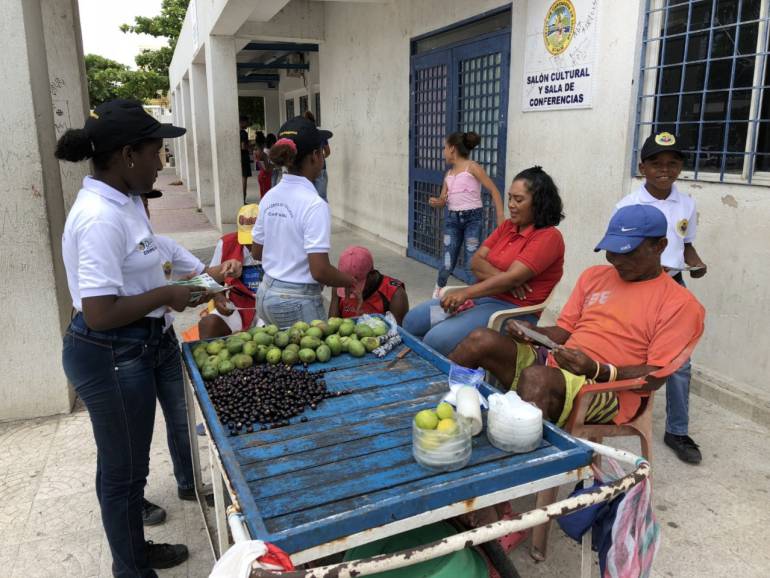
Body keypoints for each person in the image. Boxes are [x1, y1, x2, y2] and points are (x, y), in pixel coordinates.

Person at [56, 99, 201, 576]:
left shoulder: (128, 201)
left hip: (141, 343)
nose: (161, 161)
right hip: (111, 352)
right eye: (156, 151)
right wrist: (167, 294)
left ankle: (134, 550)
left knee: (128, 465)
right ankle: (131, 569)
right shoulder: (100, 216)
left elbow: (148, 255)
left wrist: (192, 280)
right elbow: (99, 313)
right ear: (127, 155)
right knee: (123, 473)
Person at [449, 205, 705, 431]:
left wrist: (597, 370)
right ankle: (443, 412)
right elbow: (564, 331)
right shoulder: (594, 276)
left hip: (612, 391)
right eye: (611, 251)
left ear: (659, 246)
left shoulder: (680, 304)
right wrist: (533, 333)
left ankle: (528, 462)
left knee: (537, 378)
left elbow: (655, 377)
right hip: (558, 365)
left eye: (627, 252)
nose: (616, 260)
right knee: (480, 339)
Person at [138, 191, 242, 526]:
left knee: (181, 414)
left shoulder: (163, 246)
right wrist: (173, 294)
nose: (141, 208)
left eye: (145, 203)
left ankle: (188, 482)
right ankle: (132, 499)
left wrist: (222, 274)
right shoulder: (115, 246)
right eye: (136, 201)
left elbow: (204, 274)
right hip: (128, 346)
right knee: (133, 429)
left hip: (164, 339)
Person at [403, 166, 565, 357]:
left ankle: (446, 366)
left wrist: (467, 293)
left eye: (518, 199)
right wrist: (505, 279)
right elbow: (476, 262)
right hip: (481, 298)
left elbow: (512, 277)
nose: (511, 205)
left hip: (511, 311)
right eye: (510, 198)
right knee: (412, 321)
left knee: (436, 340)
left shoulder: (548, 237)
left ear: (539, 203)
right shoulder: (508, 226)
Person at [616, 131, 708, 464]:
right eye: (656, 163)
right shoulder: (628, 205)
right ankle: (612, 407)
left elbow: (686, 244)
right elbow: (617, 250)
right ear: (642, 167)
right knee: (625, 348)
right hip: (636, 286)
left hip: (672, 286)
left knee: (679, 362)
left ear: (681, 167)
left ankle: (677, 431)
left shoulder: (686, 204)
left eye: (673, 163)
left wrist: (695, 262)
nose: (665, 170)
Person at [251, 116, 356, 328]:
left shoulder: (270, 196)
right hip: (297, 302)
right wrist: (349, 281)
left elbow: (257, 252)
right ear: (315, 156)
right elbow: (320, 271)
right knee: (318, 348)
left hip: (265, 296)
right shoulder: (314, 204)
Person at [428, 131, 506, 297]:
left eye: (444, 148)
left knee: (472, 262)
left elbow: (494, 190)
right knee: (447, 262)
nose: (443, 151)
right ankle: (438, 289)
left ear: (452, 149)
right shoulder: (448, 175)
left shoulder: (472, 167)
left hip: (473, 221)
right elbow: (443, 199)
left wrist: (501, 217)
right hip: (452, 221)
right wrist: (437, 202)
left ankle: (474, 295)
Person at [199, 204, 263, 339]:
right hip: (238, 306)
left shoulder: (280, 244)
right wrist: (219, 297)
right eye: (246, 239)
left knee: (263, 336)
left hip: (268, 306)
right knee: (208, 324)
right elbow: (208, 279)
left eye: (255, 240)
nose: (250, 245)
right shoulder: (227, 243)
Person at [329, 246, 409, 324]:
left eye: (355, 285)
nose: (350, 290)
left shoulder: (395, 294)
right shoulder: (338, 287)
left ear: (372, 274)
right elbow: (331, 325)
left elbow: (398, 331)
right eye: (346, 285)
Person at [303, 111, 331, 201]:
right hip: (320, 169)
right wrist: (320, 158)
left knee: (309, 199)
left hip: (307, 171)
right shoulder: (321, 135)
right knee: (321, 198)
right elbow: (328, 152)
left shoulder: (303, 136)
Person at [256, 133, 277, 198]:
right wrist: (274, 164)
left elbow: (262, 166)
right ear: (263, 143)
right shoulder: (263, 154)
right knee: (267, 196)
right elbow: (267, 169)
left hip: (261, 175)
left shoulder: (256, 152)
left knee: (263, 195)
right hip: (265, 176)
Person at [239, 115, 252, 203]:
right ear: (242, 122)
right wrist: (250, 147)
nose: (248, 124)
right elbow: (243, 146)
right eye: (247, 122)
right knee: (244, 178)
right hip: (244, 157)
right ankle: (243, 199)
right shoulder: (243, 133)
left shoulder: (236, 132)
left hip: (238, 157)